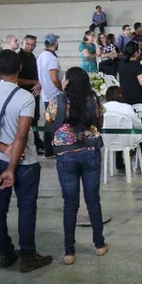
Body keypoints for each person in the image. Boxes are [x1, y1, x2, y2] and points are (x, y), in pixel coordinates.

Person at [0, 49, 52, 273]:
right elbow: (21, 136)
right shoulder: (24, 97)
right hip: (23, 164)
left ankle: (5, 252)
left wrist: (3, 149)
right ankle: (28, 255)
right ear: (19, 68)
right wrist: (12, 165)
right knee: (26, 209)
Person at [47, 67, 108, 266]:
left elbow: (48, 123)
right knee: (93, 201)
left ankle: (69, 252)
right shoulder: (93, 99)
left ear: (67, 82)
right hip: (90, 152)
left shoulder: (58, 100)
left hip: (65, 154)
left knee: (70, 204)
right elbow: (99, 123)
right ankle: (99, 245)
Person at [117, 42, 142, 169]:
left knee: (123, 130)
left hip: (125, 100)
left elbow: (118, 79)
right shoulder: (135, 65)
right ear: (136, 52)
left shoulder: (121, 63)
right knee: (141, 130)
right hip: (137, 100)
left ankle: (119, 162)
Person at [37, 33, 63, 158]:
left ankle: (49, 148)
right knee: (55, 122)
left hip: (46, 94)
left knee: (49, 121)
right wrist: (62, 89)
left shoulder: (41, 56)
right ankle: (51, 148)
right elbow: (54, 78)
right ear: (55, 43)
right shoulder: (52, 58)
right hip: (54, 94)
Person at [17, 35, 44, 155]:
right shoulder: (18, 58)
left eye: (33, 44)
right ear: (22, 43)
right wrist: (35, 82)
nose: (30, 47)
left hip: (34, 92)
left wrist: (38, 83)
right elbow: (16, 79)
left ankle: (37, 141)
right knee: (26, 119)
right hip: (23, 93)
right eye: (28, 44)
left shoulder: (32, 56)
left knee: (35, 118)